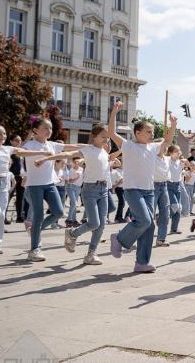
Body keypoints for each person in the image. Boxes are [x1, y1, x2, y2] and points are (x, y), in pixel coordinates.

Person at [108, 102, 177, 273]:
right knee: (145, 220)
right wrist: (114, 112)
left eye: (153, 131)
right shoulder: (128, 145)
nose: (152, 134)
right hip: (133, 190)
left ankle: (141, 263)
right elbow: (111, 132)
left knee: (150, 225)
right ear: (137, 133)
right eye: (148, 131)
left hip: (149, 191)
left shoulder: (153, 147)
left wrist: (173, 125)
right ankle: (119, 238)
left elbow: (167, 140)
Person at [36, 124, 113, 265]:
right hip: (90, 190)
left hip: (104, 190)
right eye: (103, 136)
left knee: (101, 225)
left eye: (107, 137)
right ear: (94, 137)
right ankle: (72, 233)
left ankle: (91, 254)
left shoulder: (104, 152)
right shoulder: (87, 150)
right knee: (94, 223)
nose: (106, 139)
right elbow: (68, 154)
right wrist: (45, 159)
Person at [23, 118, 80, 262]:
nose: (50, 131)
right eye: (46, 128)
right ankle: (34, 250)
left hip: (49, 184)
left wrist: (91, 146)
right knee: (38, 215)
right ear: (35, 130)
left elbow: (72, 146)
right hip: (34, 185)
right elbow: (21, 152)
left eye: (51, 128)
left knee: (59, 212)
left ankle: (36, 230)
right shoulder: (29, 145)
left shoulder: (52, 145)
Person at [0, 125, 54, 255]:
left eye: (4, 133)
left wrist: (42, 153)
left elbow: (23, 152)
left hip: (3, 184)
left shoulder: (8, 149)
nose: (2, 136)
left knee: (0, 215)